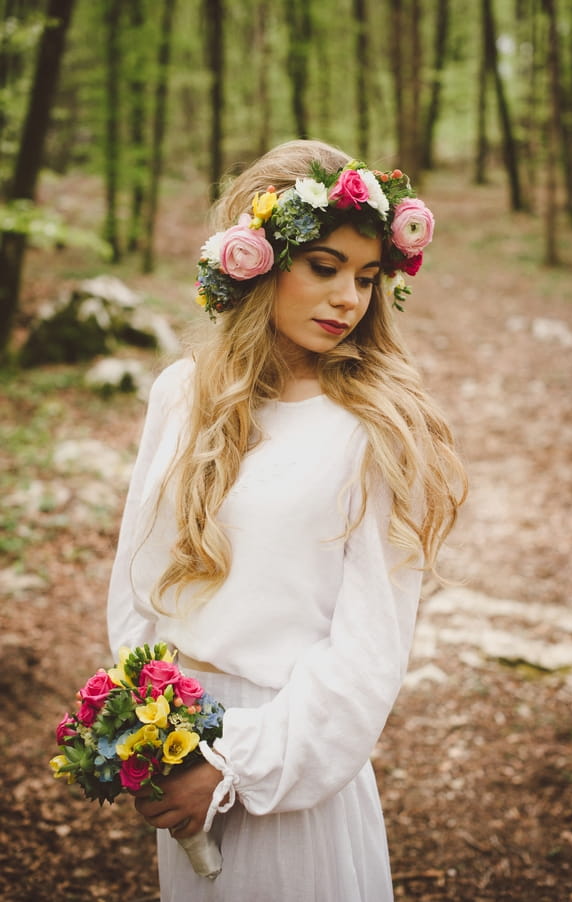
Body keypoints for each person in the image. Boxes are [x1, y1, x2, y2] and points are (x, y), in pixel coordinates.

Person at [106, 138, 467, 902]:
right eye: (325, 268)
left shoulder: (374, 429)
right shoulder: (181, 394)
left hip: (296, 768)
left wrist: (235, 765)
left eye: (368, 278)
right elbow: (136, 583)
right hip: (180, 739)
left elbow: (368, 654)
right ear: (257, 261)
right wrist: (151, 728)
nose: (350, 299)